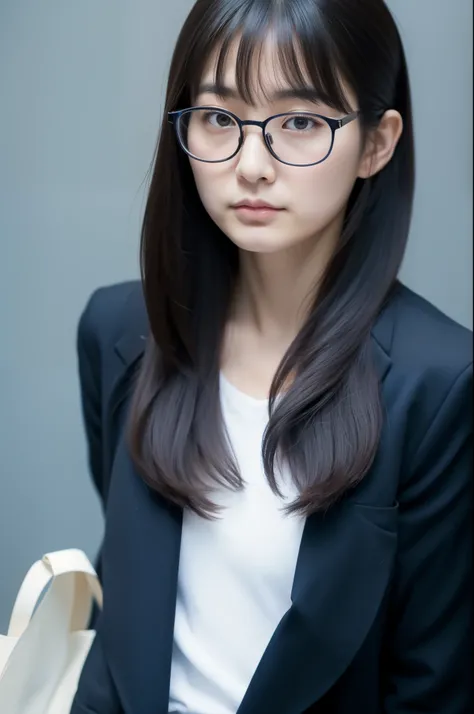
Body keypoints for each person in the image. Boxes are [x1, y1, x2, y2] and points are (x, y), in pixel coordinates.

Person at [70, 0, 473, 712]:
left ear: (377, 143)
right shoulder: (119, 330)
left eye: (300, 123)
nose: (251, 165)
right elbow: (131, 605)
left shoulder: (440, 386)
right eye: (220, 118)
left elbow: (433, 685)